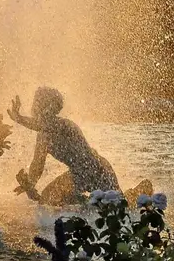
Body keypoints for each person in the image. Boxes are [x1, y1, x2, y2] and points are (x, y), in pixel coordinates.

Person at [9, 87, 149, 207]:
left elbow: (43, 125)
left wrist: (19, 118)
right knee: (46, 200)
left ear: (47, 107)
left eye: (37, 102)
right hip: (79, 174)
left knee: (121, 207)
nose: (33, 106)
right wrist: (29, 185)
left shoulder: (63, 125)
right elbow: (37, 165)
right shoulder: (42, 136)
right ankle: (85, 202)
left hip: (97, 169)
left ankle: (142, 190)